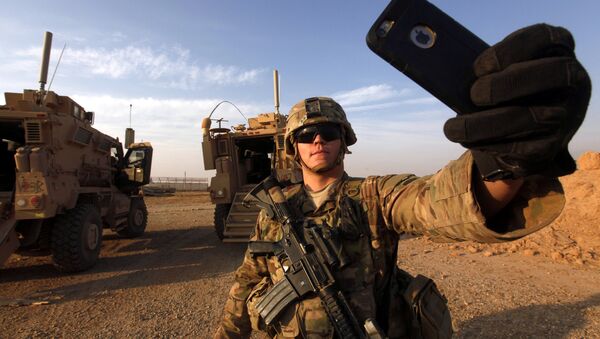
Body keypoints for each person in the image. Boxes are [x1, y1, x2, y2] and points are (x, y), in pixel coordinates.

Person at [214, 24, 591, 338]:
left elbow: (439, 203)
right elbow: (249, 278)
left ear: (344, 142)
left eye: (328, 132)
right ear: (293, 147)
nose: (317, 140)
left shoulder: (375, 196)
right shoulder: (274, 210)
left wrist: (507, 162)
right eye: (305, 135)